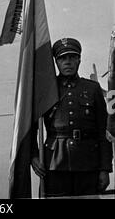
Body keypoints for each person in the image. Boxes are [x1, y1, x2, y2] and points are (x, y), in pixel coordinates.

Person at [31, 38, 113, 198]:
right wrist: (34, 155)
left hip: (88, 164)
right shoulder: (46, 89)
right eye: (62, 58)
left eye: (72, 57)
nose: (67, 62)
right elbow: (32, 127)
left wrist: (105, 168)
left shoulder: (92, 89)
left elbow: (103, 132)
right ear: (55, 61)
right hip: (55, 163)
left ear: (79, 59)